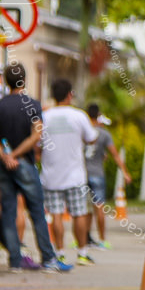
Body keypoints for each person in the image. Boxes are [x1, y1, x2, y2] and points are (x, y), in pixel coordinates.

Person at [0, 63, 71, 274]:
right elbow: (36, 135)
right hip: (24, 162)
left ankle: (15, 260)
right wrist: (15, 155)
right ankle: (48, 258)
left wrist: (4, 156)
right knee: (37, 212)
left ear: (5, 81)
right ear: (24, 80)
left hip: (2, 164)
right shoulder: (32, 105)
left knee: (8, 211)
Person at [40, 79, 97, 266]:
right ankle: (82, 253)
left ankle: (59, 252)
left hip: (51, 175)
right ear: (70, 94)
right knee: (79, 214)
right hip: (75, 176)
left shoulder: (44, 116)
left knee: (56, 215)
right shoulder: (79, 116)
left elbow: (37, 144)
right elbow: (91, 138)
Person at [84, 103, 131, 249]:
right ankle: (102, 239)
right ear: (98, 116)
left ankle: (84, 239)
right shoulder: (104, 134)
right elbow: (115, 154)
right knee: (100, 208)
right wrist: (125, 172)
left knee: (84, 209)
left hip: (82, 174)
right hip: (98, 174)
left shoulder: (83, 131)